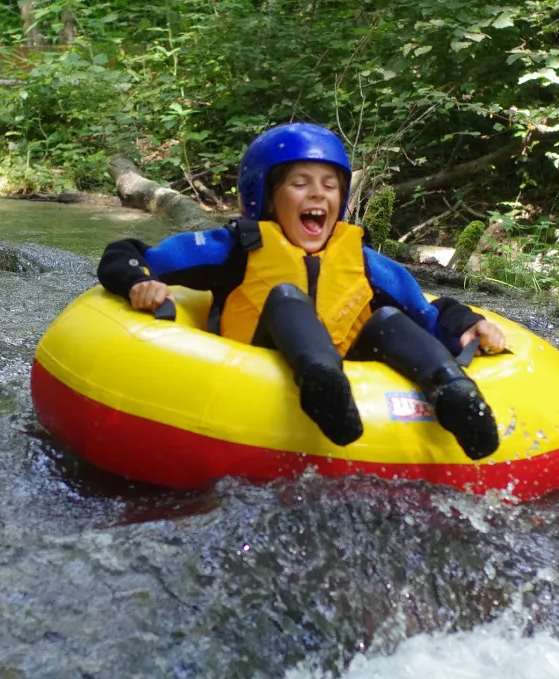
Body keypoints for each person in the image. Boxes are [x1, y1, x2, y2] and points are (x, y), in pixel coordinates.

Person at [97, 123, 506, 459]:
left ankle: (455, 394)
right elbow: (128, 253)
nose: (317, 193)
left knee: (389, 320)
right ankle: (322, 382)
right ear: (266, 197)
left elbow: (427, 312)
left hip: (350, 386)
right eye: (300, 183)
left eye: (330, 185)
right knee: (285, 295)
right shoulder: (236, 248)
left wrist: (469, 324)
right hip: (253, 373)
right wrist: (138, 282)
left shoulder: (363, 262)